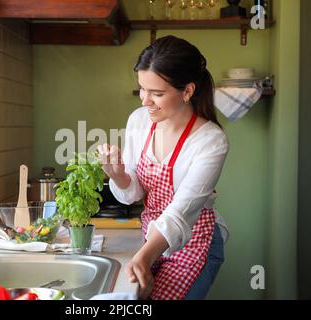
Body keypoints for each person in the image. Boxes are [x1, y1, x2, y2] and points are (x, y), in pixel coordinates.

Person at [97, 35, 230, 300]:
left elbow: (180, 213)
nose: (145, 100)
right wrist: (118, 175)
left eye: (157, 93)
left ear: (188, 91)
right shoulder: (139, 121)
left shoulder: (210, 141)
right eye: (142, 89)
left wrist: (144, 257)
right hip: (150, 236)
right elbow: (134, 192)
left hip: (193, 242)